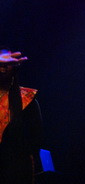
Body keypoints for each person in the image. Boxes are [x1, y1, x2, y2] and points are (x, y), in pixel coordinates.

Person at [0, 47, 43, 184]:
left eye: (8, 64)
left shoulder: (27, 101)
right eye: (1, 64)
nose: (3, 68)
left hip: (15, 171)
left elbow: (35, 138)